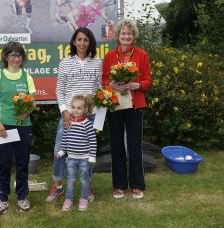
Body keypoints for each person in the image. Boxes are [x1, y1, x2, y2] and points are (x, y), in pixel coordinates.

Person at [46, 27, 102, 203]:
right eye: (79, 39)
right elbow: (59, 89)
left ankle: (87, 185)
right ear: (74, 41)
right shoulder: (65, 62)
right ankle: (57, 185)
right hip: (69, 115)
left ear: (90, 42)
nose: (82, 43)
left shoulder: (97, 62)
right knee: (59, 151)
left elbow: (99, 87)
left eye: (86, 40)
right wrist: (64, 110)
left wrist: (95, 102)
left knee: (87, 152)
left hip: (89, 117)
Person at [102, 19, 152, 199]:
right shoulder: (109, 56)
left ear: (134, 36)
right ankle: (119, 185)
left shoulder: (142, 55)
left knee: (134, 145)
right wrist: (112, 84)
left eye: (129, 34)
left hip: (135, 103)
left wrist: (135, 85)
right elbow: (104, 80)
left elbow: (147, 81)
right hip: (115, 104)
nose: (126, 36)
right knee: (116, 145)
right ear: (118, 35)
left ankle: (137, 184)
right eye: (123, 33)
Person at [0, 41, 36, 215]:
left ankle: (22, 197)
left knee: (23, 163)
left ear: (23, 58)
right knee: (4, 164)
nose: (16, 58)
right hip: (4, 127)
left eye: (19, 55)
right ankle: (2, 198)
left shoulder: (27, 77)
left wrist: (27, 112)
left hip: (24, 126)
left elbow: (32, 102)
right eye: (12, 55)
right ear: (6, 57)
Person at [56, 95, 97, 211]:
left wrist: (92, 156)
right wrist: (62, 150)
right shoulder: (68, 122)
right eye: (73, 107)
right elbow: (65, 137)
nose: (75, 110)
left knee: (84, 179)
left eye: (79, 108)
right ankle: (68, 199)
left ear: (85, 110)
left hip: (84, 158)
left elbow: (93, 140)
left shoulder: (87, 124)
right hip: (71, 158)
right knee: (71, 179)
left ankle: (84, 198)